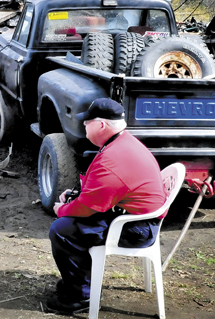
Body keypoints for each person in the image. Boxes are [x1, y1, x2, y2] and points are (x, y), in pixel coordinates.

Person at [46, 98, 167, 314]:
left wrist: (61, 209)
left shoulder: (113, 157)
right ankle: (79, 285)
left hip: (137, 228)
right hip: (137, 217)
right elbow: (101, 192)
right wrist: (75, 195)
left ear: (101, 125)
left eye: (87, 122)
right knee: (70, 225)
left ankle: (81, 296)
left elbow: (88, 208)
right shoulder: (121, 143)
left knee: (62, 230)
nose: (84, 125)